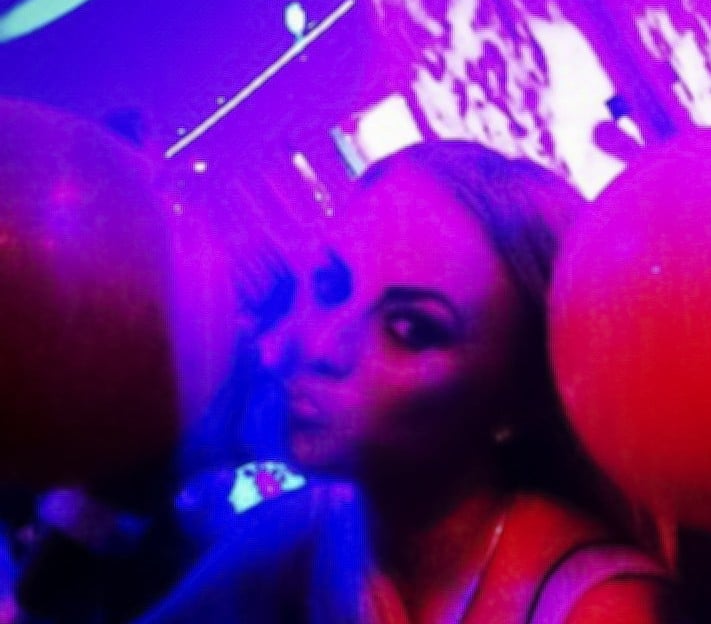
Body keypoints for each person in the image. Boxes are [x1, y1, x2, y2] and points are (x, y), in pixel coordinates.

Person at [144, 142, 682, 623]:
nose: (320, 347)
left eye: (409, 330)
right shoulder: (313, 528)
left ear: (516, 400)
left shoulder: (603, 609)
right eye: (331, 285)